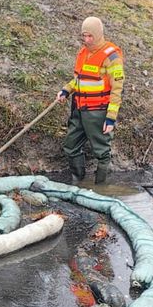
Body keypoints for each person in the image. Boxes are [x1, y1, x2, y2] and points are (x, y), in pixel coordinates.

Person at [56, 16, 124, 185]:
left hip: (98, 112)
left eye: (90, 36)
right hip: (79, 109)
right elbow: (80, 80)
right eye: (84, 36)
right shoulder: (83, 53)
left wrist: (110, 118)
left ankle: (100, 188)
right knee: (70, 146)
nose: (86, 40)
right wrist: (66, 89)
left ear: (99, 34)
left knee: (102, 152)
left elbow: (117, 90)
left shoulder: (112, 56)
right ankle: (78, 181)